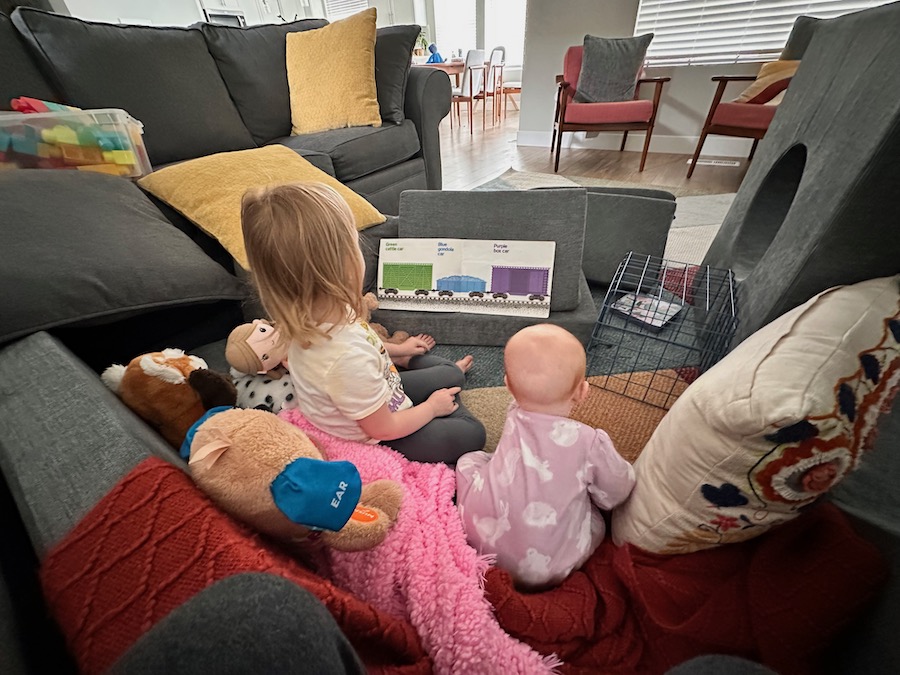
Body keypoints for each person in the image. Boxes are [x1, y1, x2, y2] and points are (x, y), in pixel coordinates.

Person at [240, 181, 486, 464]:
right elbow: (384, 428)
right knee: (472, 434)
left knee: (451, 375)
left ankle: (422, 375)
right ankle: (436, 406)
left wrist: (400, 350)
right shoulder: (345, 360)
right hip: (376, 432)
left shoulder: (322, 308)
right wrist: (431, 408)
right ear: (343, 266)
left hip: (380, 389)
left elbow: (363, 337)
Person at [455, 324, 635, 589]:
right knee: (594, 519)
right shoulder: (590, 441)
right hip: (552, 567)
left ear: (507, 386)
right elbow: (617, 493)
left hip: (483, 542)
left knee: (469, 460)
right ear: (583, 392)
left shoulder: (514, 413)